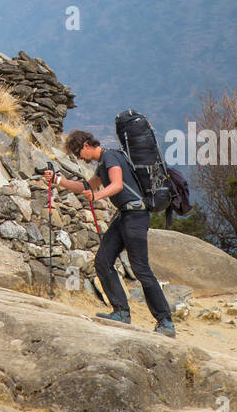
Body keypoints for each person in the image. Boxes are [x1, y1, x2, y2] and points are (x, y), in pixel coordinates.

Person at [45, 129, 175, 338]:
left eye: (78, 153)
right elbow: (85, 186)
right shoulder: (103, 163)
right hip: (125, 216)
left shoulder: (111, 157)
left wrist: (96, 196)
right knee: (103, 261)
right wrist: (58, 181)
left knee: (141, 269)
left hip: (136, 216)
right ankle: (121, 312)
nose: (79, 158)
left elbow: (116, 185)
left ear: (86, 146)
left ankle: (165, 321)